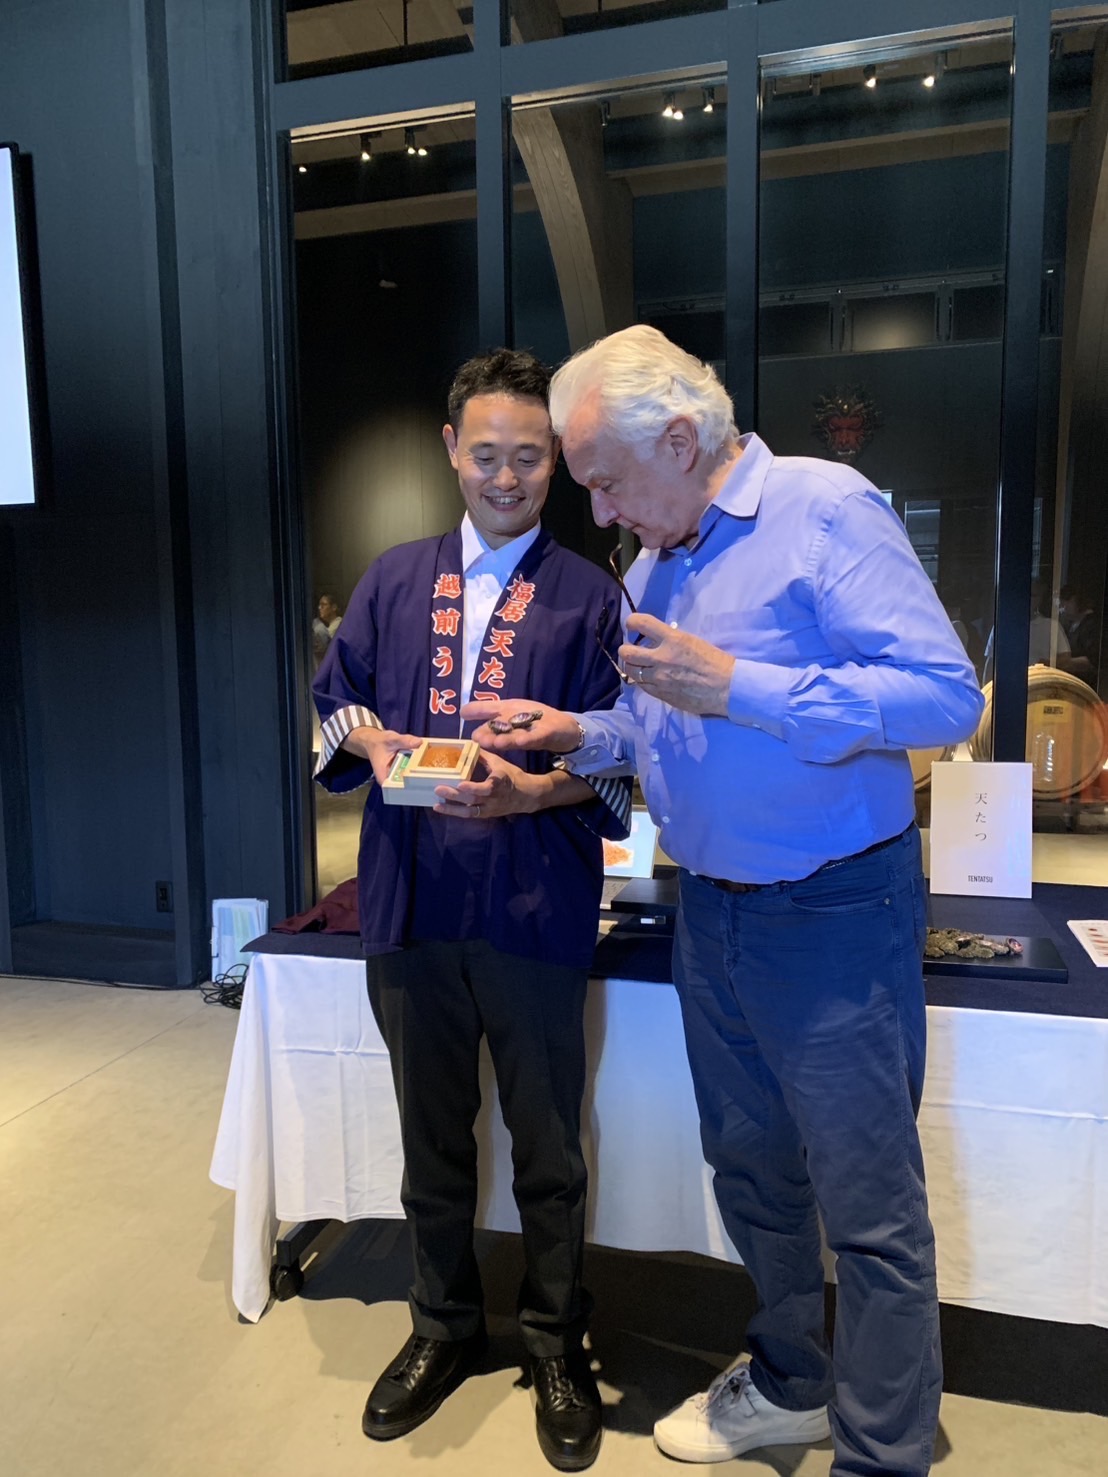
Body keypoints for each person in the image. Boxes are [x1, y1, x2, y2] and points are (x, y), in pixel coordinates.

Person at [466, 325, 984, 1477]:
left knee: (869, 1208)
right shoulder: (655, 562)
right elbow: (663, 730)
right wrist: (578, 729)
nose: (598, 511)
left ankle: (882, 1452)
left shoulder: (824, 509)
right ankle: (794, 1383)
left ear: (680, 438)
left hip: (834, 909)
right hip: (711, 909)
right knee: (750, 1169)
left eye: (604, 480)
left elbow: (945, 697)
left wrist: (741, 685)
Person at [312, 349, 630, 1472]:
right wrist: (373, 741)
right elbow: (336, 703)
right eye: (487, 453)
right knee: (430, 1137)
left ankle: (556, 1340)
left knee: (548, 1143)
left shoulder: (593, 597)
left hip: (537, 904)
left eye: (529, 457)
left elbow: (624, 758)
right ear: (451, 449)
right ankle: (443, 1326)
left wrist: (536, 791)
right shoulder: (393, 581)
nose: (506, 476)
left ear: (558, 462)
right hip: (408, 902)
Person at [982, 576, 1068, 683]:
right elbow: (991, 662)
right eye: (1024, 594)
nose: (1028, 598)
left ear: (1041, 598)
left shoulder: (1051, 626)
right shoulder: (1002, 627)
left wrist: (1045, 664)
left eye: (1033, 595)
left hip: (1043, 685)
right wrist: (985, 690)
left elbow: (1065, 658)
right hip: (1009, 685)